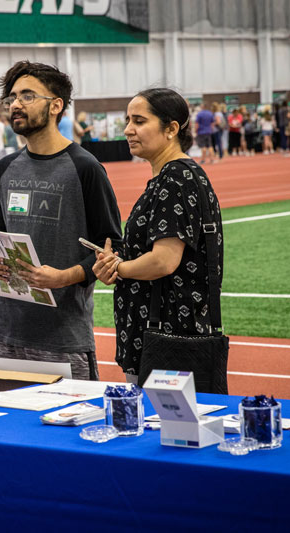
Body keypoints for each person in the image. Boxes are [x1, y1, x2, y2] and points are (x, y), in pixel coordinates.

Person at [0, 61, 123, 380]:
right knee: (11, 427)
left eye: (27, 96)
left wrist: (64, 277)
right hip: (6, 332)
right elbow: (3, 236)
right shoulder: (5, 167)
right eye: (11, 98)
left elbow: (112, 248)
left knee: (70, 426)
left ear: (56, 105)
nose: (15, 104)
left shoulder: (86, 168)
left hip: (62, 336)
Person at [91, 88, 224, 381]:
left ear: (171, 129)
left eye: (139, 121)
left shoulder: (176, 178)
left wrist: (118, 268)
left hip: (167, 339)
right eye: (128, 121)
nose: (128, 130)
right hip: (160, 335)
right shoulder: (171, 176)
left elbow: (163, 261)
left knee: (162, 423)